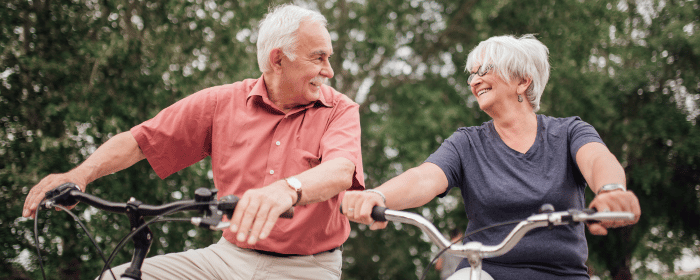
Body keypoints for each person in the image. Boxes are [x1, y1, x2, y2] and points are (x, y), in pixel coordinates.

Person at [22, 4, 364, 280]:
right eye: (318, 58)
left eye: (328, 58)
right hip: (227, 258)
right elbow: (142, 141)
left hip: (307, 268)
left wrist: (287, 189)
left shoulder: (340, 110)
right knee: (118, 276)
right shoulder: (221, 103)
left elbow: (339, 171)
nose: (329, 70)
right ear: (278, 59)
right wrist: (80, 175)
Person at [342, 34, 641, 279]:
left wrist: (611, 190)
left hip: (561, 274)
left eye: (484, 71)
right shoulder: (466, 143)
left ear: (522, 81)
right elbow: (424, 177)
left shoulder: (568, 133)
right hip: (484, 272)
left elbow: (597, 159)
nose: (473, 81)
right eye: (471, 74)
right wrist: (379, 195)